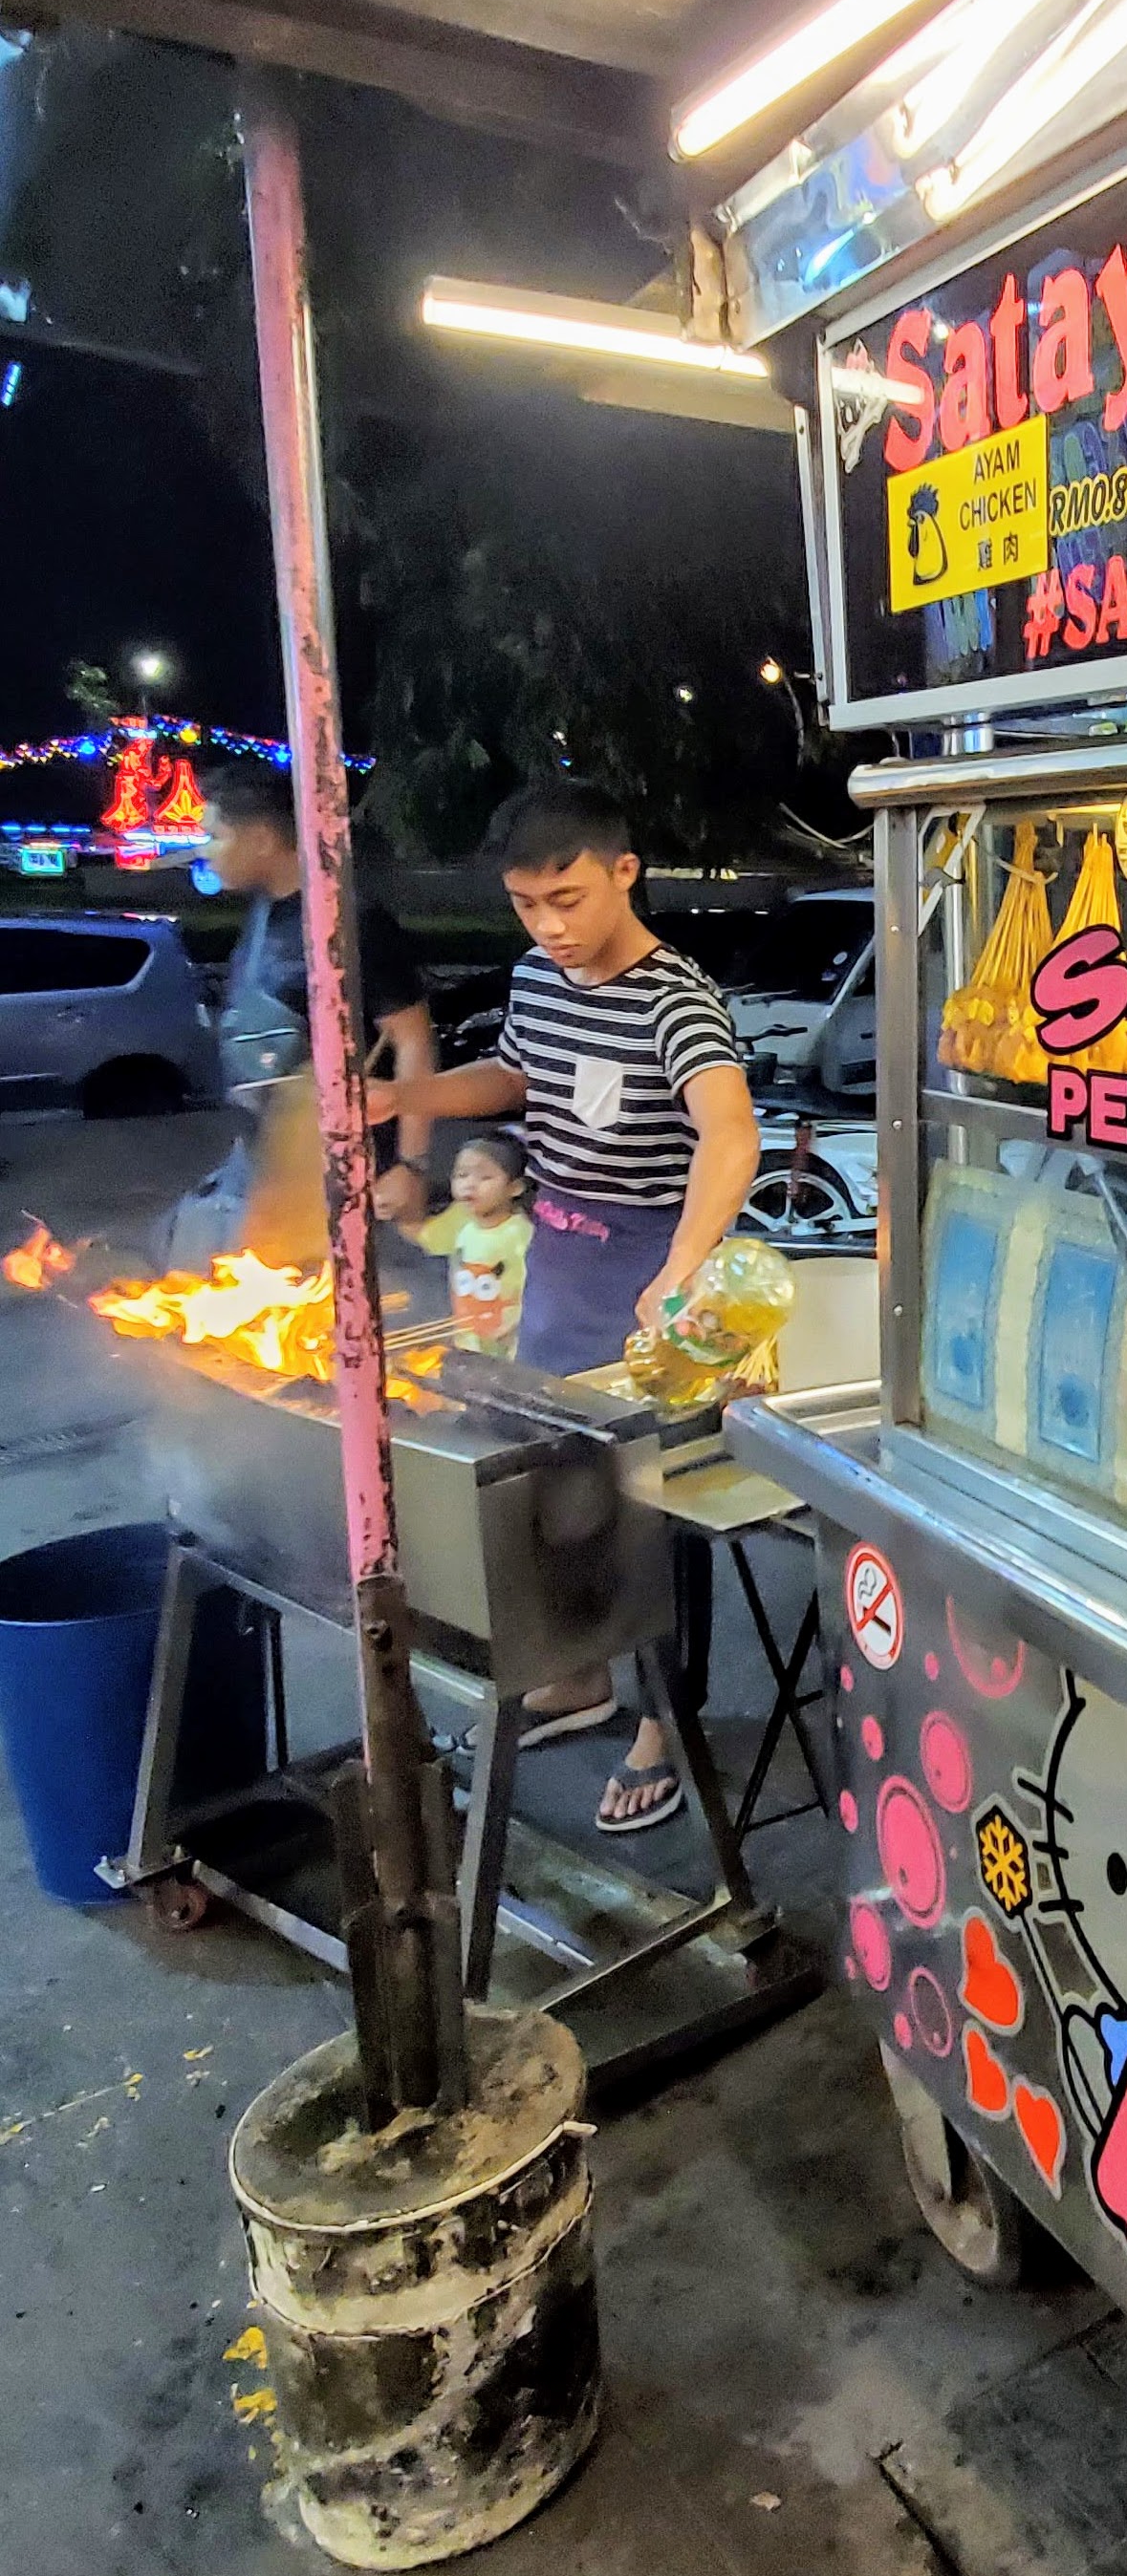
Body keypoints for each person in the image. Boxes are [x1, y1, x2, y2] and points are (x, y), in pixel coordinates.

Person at [370, 778, 760, 1833]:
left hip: (649, 1271)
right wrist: (409, 1096)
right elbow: (513, 1078)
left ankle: (660, 1722)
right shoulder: (540, 977)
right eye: (528, 905)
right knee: (556, 1489)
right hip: (565, 1258)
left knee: (652, 1507)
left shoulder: (678, 998)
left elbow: (728, 1133)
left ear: (623, 873)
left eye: (568, 898)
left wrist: (683, 1263)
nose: (550, 926)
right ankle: (582, 1674)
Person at [170, 760, 434, 1265]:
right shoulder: (266, 910)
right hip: (266, 1164)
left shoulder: (349, 920)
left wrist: (411, 1163)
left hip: (337, 1175)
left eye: (216, 835)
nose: (205, 850)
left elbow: (413, 1039)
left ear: (265, 838)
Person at [415, 1128, 533, 1352]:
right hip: (467, 1343)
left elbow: (535, 1289)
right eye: (461, 1175)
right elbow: (423, 1239)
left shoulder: (520, 1234)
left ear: (516, 1187)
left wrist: (516, 1324)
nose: (470, 1184)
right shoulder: (459, 1223)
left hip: (509, 1345)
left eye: (485, 1177)